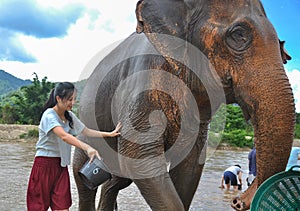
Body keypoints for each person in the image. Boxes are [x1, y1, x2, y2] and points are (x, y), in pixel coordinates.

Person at [26, 82, 121, 211]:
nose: (73, 102)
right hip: (44, 166)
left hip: (61, 167)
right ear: (58, 99)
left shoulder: (69, 116)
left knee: (63, 207)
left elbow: (86, 131)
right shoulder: (49, 115)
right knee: (38, 207)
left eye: (74, 99)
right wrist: (87, 148)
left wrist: (109, 134)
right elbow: (64, 136)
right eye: (70, 99)